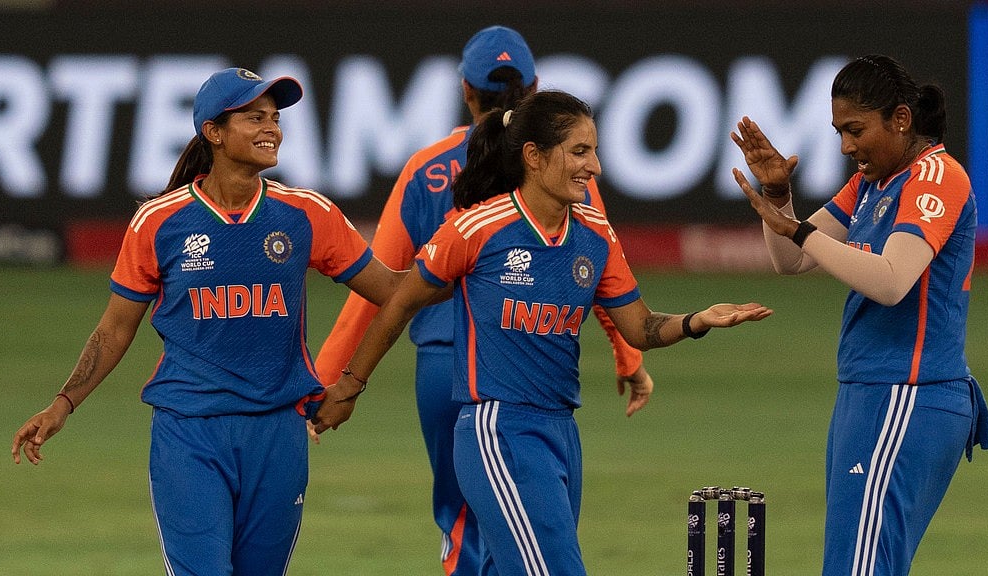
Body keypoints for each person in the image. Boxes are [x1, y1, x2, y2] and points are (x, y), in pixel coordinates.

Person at [312, 89, 772, 575]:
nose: (594, 166)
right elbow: (396, 304)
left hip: (560, 431)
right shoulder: (476, 229)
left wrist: (698, 320)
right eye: (579, 151)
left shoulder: (595, 234)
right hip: (498, 432)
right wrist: (349, 384)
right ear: (533, 156)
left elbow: (641, 327)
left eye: (594, 151)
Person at [10, 67, 404, 575]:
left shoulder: (307, 213)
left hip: (279, 432)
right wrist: (64, 403)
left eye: (275, 118)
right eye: (253, 117)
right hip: (189, 431)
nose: (272, 128)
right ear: (213, 132)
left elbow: (392, 293)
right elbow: (115, 328)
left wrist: (352, 382)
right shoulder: (159, 221)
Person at [312, 25, 653, 576]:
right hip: (523, 365)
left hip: (444, 367)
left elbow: (382, 290)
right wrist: (627, 354)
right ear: (535, 88)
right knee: (521, 531)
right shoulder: (568, 170)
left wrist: (329, 383)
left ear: (466, 91)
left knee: (466, 523)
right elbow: (594, 272)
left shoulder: (426, 168)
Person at [730, 54, 988, 576]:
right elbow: (793, 259)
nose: (847, 147)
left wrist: (798, 229)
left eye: (856, 130)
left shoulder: (936, 177)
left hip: (908, 394)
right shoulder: (874, 182)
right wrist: (779, 197)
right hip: (868, 390)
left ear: (900, 119)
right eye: (838, 132)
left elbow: (893, 281)